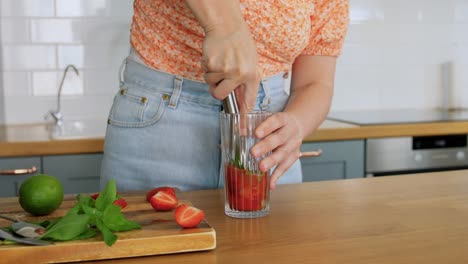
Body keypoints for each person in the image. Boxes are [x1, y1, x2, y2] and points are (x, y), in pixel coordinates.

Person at [100, 0, 349, 192]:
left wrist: (297, 124)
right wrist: (225, 27)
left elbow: (316, 83)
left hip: (267, 143)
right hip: (159, 126)